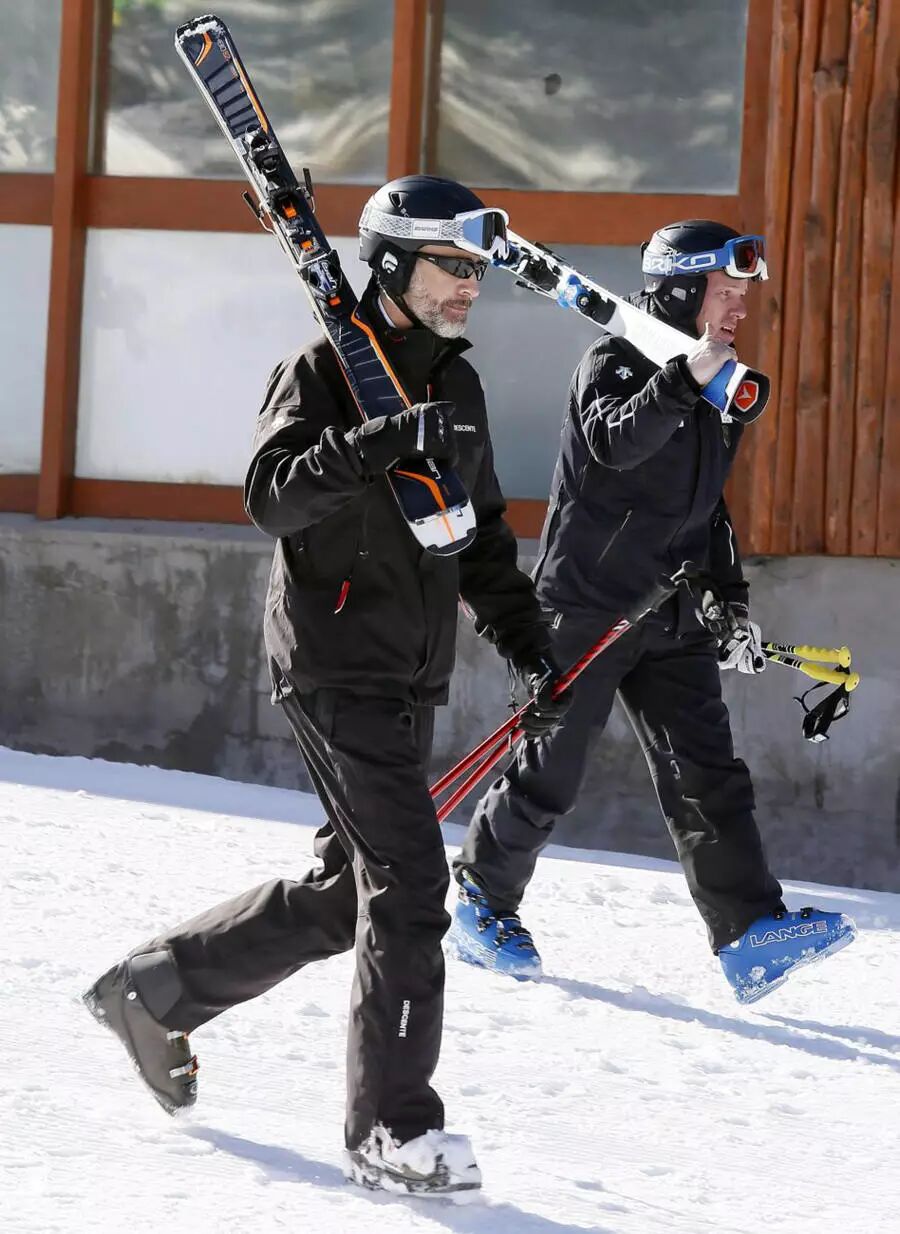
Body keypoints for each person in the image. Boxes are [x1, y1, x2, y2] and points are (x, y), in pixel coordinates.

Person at [82, 175, 570, 1197]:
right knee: (412, 885)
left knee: (352, 891)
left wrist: (530, 647)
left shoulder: (458, 388)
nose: (468, 285)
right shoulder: (321, 370)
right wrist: (373, 444)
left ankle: (155, 989)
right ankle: (391, 1128)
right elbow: (270, 497)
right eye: (449, 265)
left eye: (475, 269)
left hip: (408, 671)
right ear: (391, 263)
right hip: (333, 662)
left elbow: (478, 538)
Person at [450, 220, 856, 1003]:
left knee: (708, 772)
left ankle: (749, 933)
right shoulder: (612, 362)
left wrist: (728, 601)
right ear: (680, 288)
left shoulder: (718, 387)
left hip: (671, 610)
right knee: (553, 767)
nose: (739, 306)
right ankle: (481, 901)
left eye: (743, 294)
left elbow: (708, 507)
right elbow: (615, 444)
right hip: (585, 605)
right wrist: (682, 379)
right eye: (725, 290)